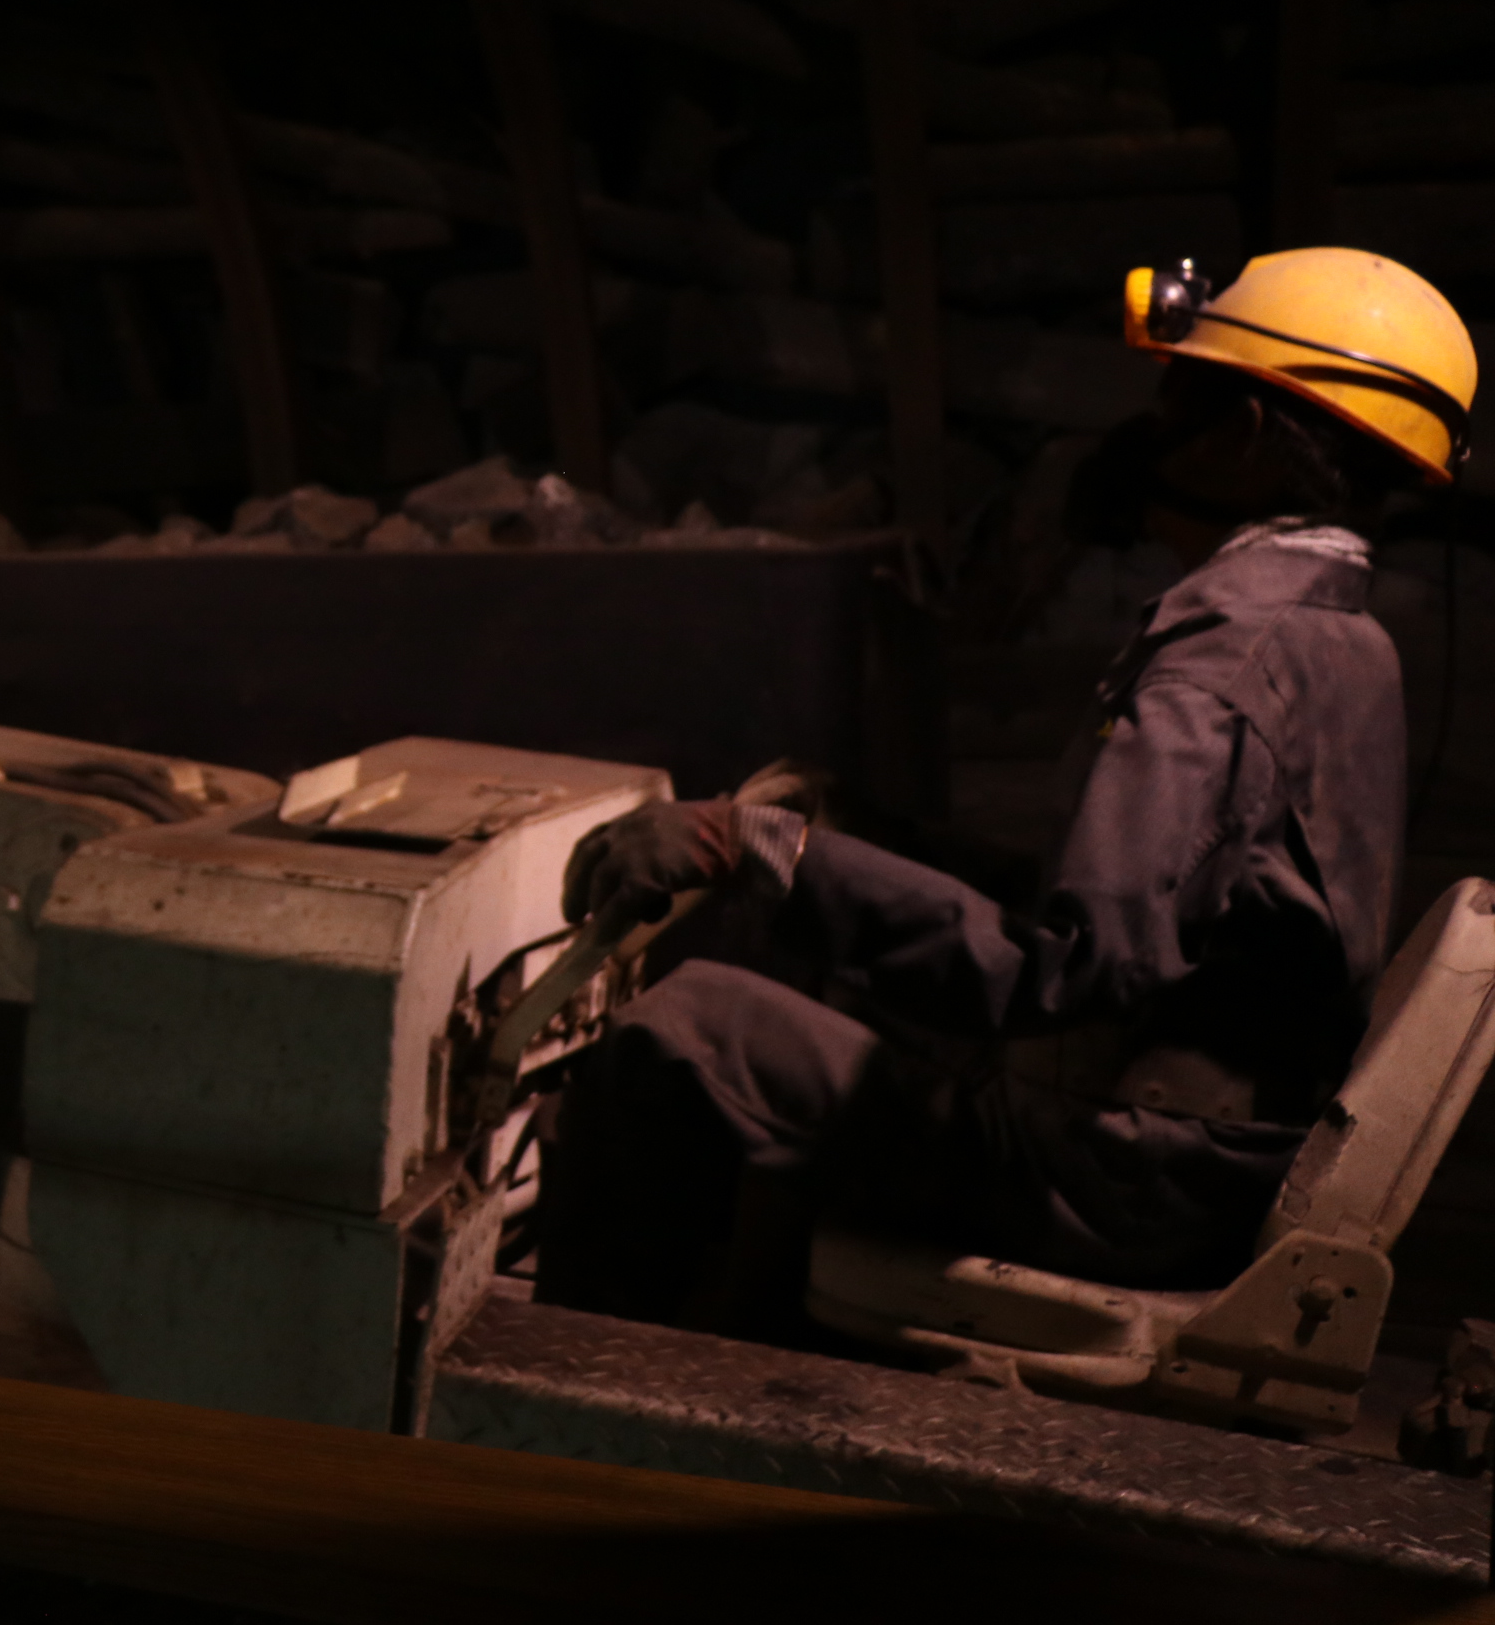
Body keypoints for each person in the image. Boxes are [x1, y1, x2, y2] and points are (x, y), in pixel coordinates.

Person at [538, 246, 1480, 1337]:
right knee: (815, 1023)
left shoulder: (1221, 668)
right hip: (1207, 1152)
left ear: (1246, 436)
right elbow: (1167, 912)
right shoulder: (1344, 642)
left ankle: (567, 1389)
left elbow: (1074, 966)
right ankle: (751, 1339)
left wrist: (753, 849)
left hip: (1117, 1174)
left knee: (690, 1026)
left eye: (1178, 397)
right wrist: (862, 837)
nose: (1146, 429)